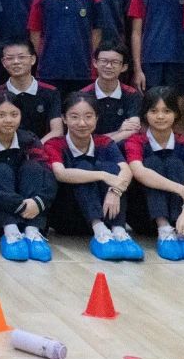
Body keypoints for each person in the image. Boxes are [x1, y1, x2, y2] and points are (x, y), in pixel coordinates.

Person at [42, 92, 142, 261]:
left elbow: (126, 170)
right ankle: (100, 232)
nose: (82, 123)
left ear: (97, 118)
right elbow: (61, 173)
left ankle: (119, 231)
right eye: (74, 117)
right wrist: (102, 176)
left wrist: (115, 191)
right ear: (64, 119)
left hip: (106, 212)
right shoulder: (55, 144)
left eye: (88, 117)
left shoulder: (104, 142)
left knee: (112, 168)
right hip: (69, 217)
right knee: (83, 166)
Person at [0, 89, 57, 262]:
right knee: (1, 170)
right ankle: (10, 233)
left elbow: (48, 174)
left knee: (33, 167)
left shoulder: (29, 139)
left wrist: (38, 202)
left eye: (14, 114)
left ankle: (33, 232)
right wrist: (17, 204)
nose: (8, 120)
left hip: (31, 210)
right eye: (1, 115)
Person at [124, 88, 184, 261]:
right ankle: (164, 228)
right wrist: (182, 190)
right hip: (144, 215)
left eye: (167, 111)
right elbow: (139, 172)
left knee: (175, 163)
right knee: (152, 163)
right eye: (154, 111)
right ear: (145, 114)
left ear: (176, 114)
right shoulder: (135, 141)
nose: (160, 116)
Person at [28, 0, 103, 94]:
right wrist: (43, 59)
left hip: (84, 71)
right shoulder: (41, 0)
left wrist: (91, 60)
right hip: (49, 72)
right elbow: (35, 35)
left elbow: (96, 34)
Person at [0, 38, 62, 141]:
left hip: (42, 148)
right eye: (10, 58)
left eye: (21, 57)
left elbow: (57, 131)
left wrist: (36, 147)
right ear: (3, 62)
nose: (16, 62)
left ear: (33, 59)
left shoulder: (51, 92)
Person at [78, 42, 142, 142]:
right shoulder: (82, 95)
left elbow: (133, 129)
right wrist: (119, 132)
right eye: (104, 61)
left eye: (115, 62)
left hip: (122, 147)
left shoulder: (132, 94)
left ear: (124, 67)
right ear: (95, 63)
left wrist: (101, 142)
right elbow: (81, 135)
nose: (108, 66)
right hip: (90, 149)